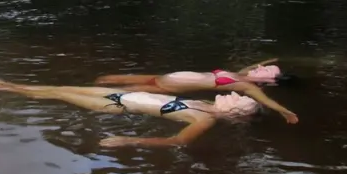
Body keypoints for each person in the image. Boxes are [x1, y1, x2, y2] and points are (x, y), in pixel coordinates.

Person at [0, 79, 275, 148]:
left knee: (60, 94)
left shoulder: (205, 118)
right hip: (122, 94)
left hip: (116, 105)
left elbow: (177, 142)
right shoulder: (204, 105)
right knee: (60, 87)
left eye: (237, 99)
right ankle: (9, 86)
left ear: (236, 114)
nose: (232, 94)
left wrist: (128, 141)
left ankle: (7, 89)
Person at [93, 58, 299, 124]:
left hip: (170, 85)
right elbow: (255, 65)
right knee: (108, 79)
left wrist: (284, 111)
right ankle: (85, 86)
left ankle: (85, 95)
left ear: (270, 80)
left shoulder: (246, 86)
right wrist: (270, 60)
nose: (260, 69)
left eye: (267, 71)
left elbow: (266, 101)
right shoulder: (242, 74)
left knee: (118, 90)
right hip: (165, 77)